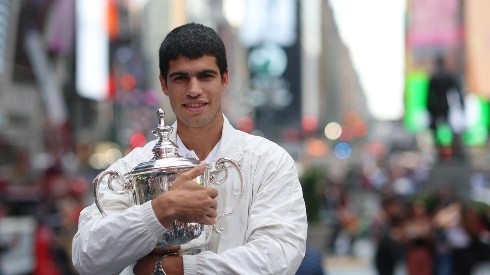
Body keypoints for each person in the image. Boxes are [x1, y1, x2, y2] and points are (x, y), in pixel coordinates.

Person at [72, 23, 307, 274]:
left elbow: (279, 255)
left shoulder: (268, 161)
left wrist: (178, 268)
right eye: (180, 78)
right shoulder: (134, 166)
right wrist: (159, 211)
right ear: (164, 84)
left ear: (224, 79)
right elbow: (86, 257)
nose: (194, 90)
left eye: (205, 76)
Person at [426, 55, 465, 160]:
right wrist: (461, 104)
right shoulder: (448, 75)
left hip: (436, 106)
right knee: (448, 127)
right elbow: (457, 90)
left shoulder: (434, 76)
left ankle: (441, 148)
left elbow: (429, 95)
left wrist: (428, 108)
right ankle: (452, 148)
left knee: (436, 128)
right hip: (445, 105)